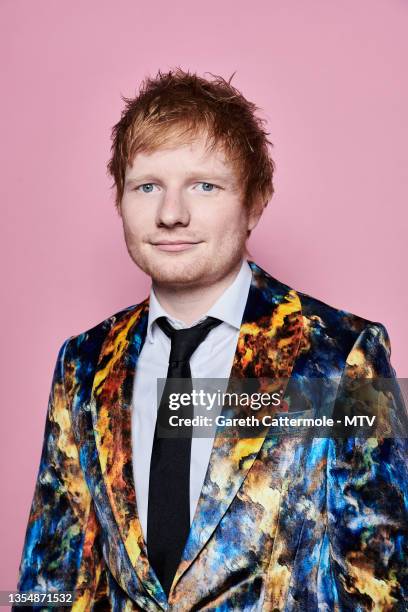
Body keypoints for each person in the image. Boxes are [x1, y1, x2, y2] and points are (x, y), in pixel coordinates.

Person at [14, 68, 408, 611]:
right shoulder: (83, 362)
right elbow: (48, 581)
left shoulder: (340, 356)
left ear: (255, 202)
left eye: (205, 185)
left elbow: (384, 584)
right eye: (147, 186)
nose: (171, 214)